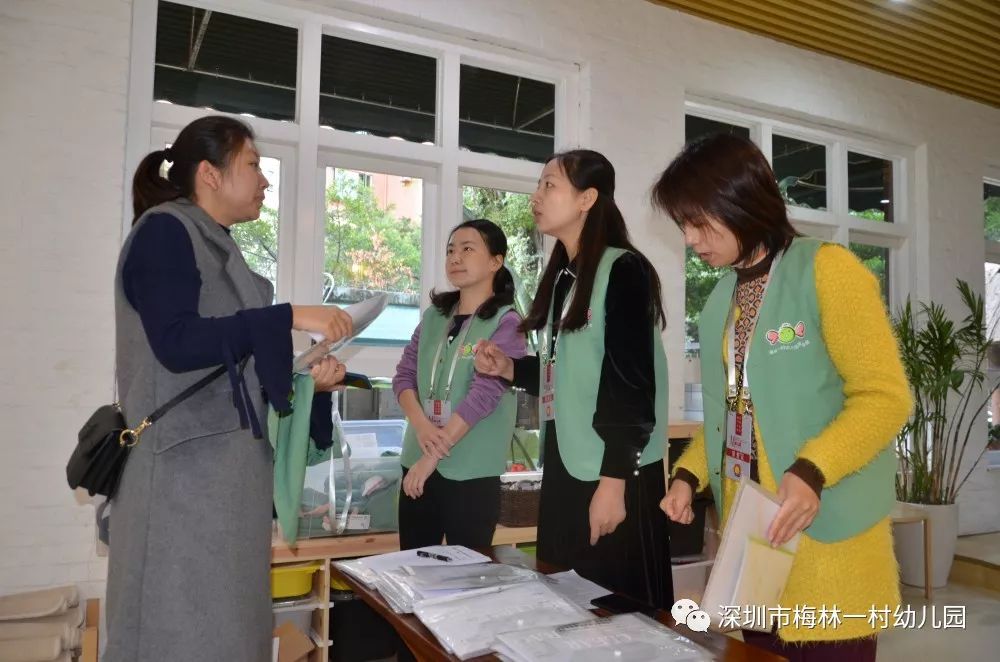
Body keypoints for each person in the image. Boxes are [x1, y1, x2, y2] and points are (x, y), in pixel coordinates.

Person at [654, 133, 912, 661]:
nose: (690, 239)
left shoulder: (827, 270)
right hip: (753, 542)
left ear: (742, 201)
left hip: (826, 536)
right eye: (684, 224)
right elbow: (735, 412)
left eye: (700, 222)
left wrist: (813, 468)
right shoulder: (722, 298)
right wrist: (687, 476)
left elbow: (885, 397)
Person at [105, 116, 353, 662]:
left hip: (226, 488)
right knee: (174, 638)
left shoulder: (225, 252)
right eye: (253, 166)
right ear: (210, 174)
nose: (264, 181)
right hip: (178, 488)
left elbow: (237, 371)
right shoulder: (165, 231)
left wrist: (309, 380)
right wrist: (289, 314)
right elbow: (176, 342)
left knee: (228, 640)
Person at [475, 150, 673, 609]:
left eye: (550, 185)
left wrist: (614, 482)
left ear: (587, 198)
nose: (536, 197)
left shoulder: (624, 269)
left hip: (614, 468)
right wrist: (510, 369)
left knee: (617, 611)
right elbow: (564, 371)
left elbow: (631, 383)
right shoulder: (564, 277)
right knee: (567, 601)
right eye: (539, 185)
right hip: (568, 463)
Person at [393, 219, 526, 549]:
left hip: (471, 472)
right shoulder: (434, 317)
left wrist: (432, 457)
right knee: (413, 570)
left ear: (496, 261)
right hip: (417, 459)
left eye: (468, 249)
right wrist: (422, 428)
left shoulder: (507, 321)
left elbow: (484, 395)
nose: (455, 257)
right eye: (451, 250)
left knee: (466, 578)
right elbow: (403, 377)